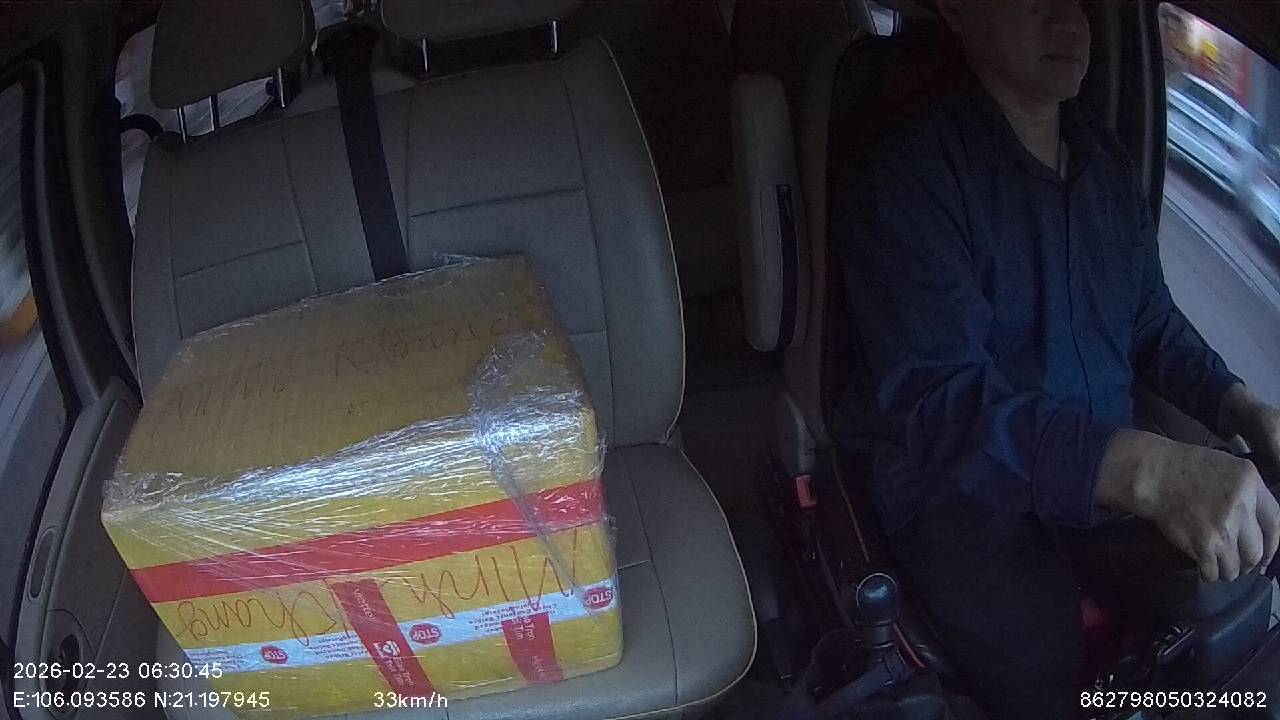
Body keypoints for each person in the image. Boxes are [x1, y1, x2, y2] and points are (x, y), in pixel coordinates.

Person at [829, 0, 1280, 717]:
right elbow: (940, 405)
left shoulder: (1104, 160)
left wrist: (1243, 407)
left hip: (1099, 476)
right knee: (1056, 691)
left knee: (1233, 611)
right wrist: (1146, 470)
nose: (1070, 21)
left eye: (1082, 0)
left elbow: (1149, 321)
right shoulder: (908, 170)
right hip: (964, 501)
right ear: (958, 10)